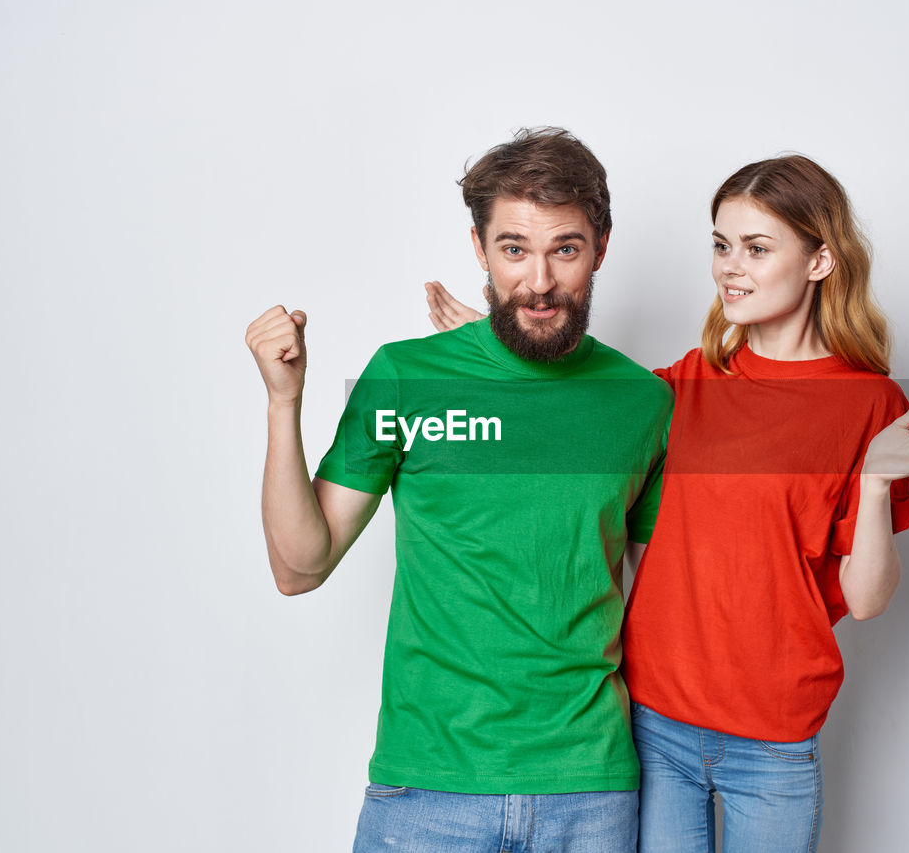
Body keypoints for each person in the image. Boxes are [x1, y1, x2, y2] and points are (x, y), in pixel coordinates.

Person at [425, 154, 909, 852]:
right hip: (653, 723)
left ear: (820, 261)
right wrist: (500, 355)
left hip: (776, 740)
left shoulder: (869, 404)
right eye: (722, 246)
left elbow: (867, 599)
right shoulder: (683, 386)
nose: (731, 267)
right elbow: (582, 406)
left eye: (757, 249)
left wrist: (874, 483)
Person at [245, 127, 670, 852]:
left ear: (600, 246)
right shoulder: (408, 378)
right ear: (479, 249)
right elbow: (298, 567)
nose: (538, 281)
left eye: (564, 249)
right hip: (427, 793)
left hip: (590, 791)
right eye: (513, 250)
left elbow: (663, 603)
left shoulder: (643, 403)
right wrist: (285, 403)